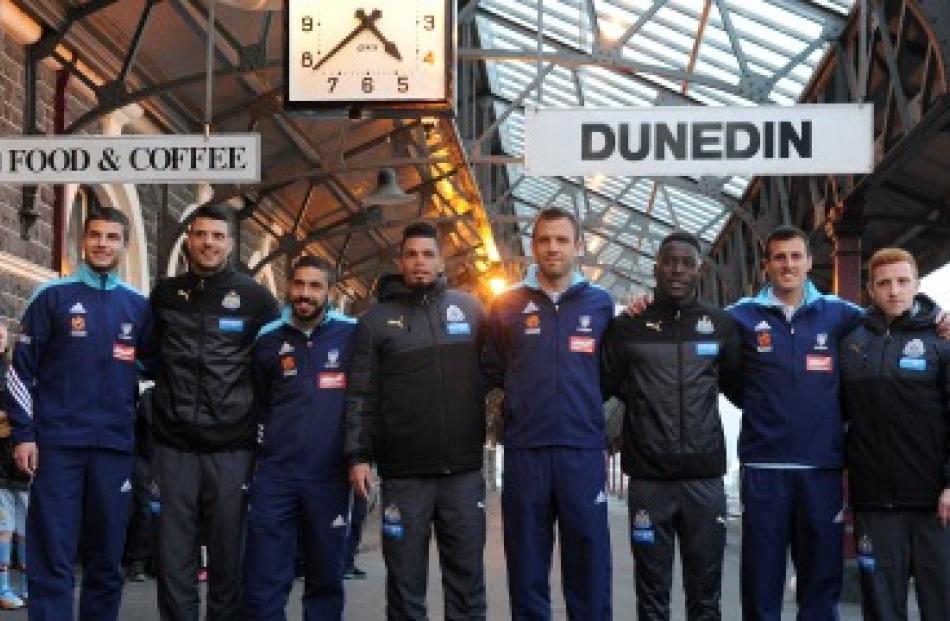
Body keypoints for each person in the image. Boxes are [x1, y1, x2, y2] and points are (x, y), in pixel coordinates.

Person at [6, 207, 150, 620]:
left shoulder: (138, 307)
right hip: (57, 447)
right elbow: (20, 372)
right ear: (83, 240)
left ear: (124, 245)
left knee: (106, 557)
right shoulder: (51, 296)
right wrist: (25, 434)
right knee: (53, 550)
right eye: (95, 235)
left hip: (115, 449)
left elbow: (154, 369)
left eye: (112, 237)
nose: (103, 243)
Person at [345, 222, 488, 620]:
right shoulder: (374, 322)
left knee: (467, 585)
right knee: (406, 589)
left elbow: (502, 369)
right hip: (405, 478)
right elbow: (361, 393)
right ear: (400, 261)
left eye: (428, 255)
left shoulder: (472, 311)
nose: (420, 262)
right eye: (412, 255)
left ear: (442, 261)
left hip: (463, 473)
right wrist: (358, 455)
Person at [601, 231, 742, 620]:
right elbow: (596, 388)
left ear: (700, 269)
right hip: (649, 482)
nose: (677, 270)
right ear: (656, 267)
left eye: (687, 262)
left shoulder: (721, 325)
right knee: (652, 595)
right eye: (669, 261)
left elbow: (747, 392)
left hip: (705, 482)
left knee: (705, 595)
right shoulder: (627, 327)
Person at [149, 203, 279, 620]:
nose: (208, 242)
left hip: (232, 449)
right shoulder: (165, 295)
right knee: (173, 559)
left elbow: (272, 369)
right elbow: (150, 359)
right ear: (189, 238)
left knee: (228, 558)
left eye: (217, 236)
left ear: (230, 243)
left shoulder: (257, 300)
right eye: (201, 234)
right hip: (174, 449)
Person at [483, 207, 614, 620]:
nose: (552, 248)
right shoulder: (506, 305)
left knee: (589, 567)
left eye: (561, 240)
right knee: (525, 566)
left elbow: (611, 371)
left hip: (583, 451)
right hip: (526, 451)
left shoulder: (601, 304)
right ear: (533, 247)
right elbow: (493, 369)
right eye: (544, 240)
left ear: (578, 247)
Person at [727, 225, 864, 620]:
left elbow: (892, 320)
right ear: (766, 265)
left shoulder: (840, 315)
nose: (787, 265)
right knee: (761, 582)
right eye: (779, 257)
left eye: (795, 256)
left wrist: (933, 315)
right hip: (764, 469)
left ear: (809, 261)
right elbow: (706, 351)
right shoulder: (740, 317)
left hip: (820, 469)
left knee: (821, 581)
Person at [243, 255, 356, 620]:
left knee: (325, 578)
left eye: (315, 286)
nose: (305, 294)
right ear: (289, 286)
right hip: (275, 476)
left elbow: (365, 399)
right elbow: (259, 400)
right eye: (299, 285)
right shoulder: (267, 338)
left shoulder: (352, 334)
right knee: (264, 579)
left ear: (330, 292)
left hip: (330, 476)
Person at [840, 247, 950, 620]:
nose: (894, 290)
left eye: (903, 281)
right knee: (883, 612)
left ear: (917, 284)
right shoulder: (852, 343)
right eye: (884, 283)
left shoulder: (942, 341)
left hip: (934, 506)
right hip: (875, 504)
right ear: (871, 288)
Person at [0, 319, 29, 610]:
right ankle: (3, 587)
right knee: (4, 528)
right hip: (0, 466)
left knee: (26, 527)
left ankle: (27, 586)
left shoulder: (15, 371)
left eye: (2, 336)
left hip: (20, 463)